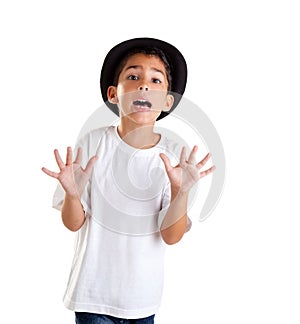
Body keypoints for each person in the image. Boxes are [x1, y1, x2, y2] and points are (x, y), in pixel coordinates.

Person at [42, 37, 215, 324]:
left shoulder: (174, 157)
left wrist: (180, 191)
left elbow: (171, 237)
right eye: (133, 77)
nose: (144, 85)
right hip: (92, 296)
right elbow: (73, 223)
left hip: (143, 300)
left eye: (155, 80)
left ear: (168, 101)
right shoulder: (94, 142)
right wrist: (72, 194)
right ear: (113, 94)